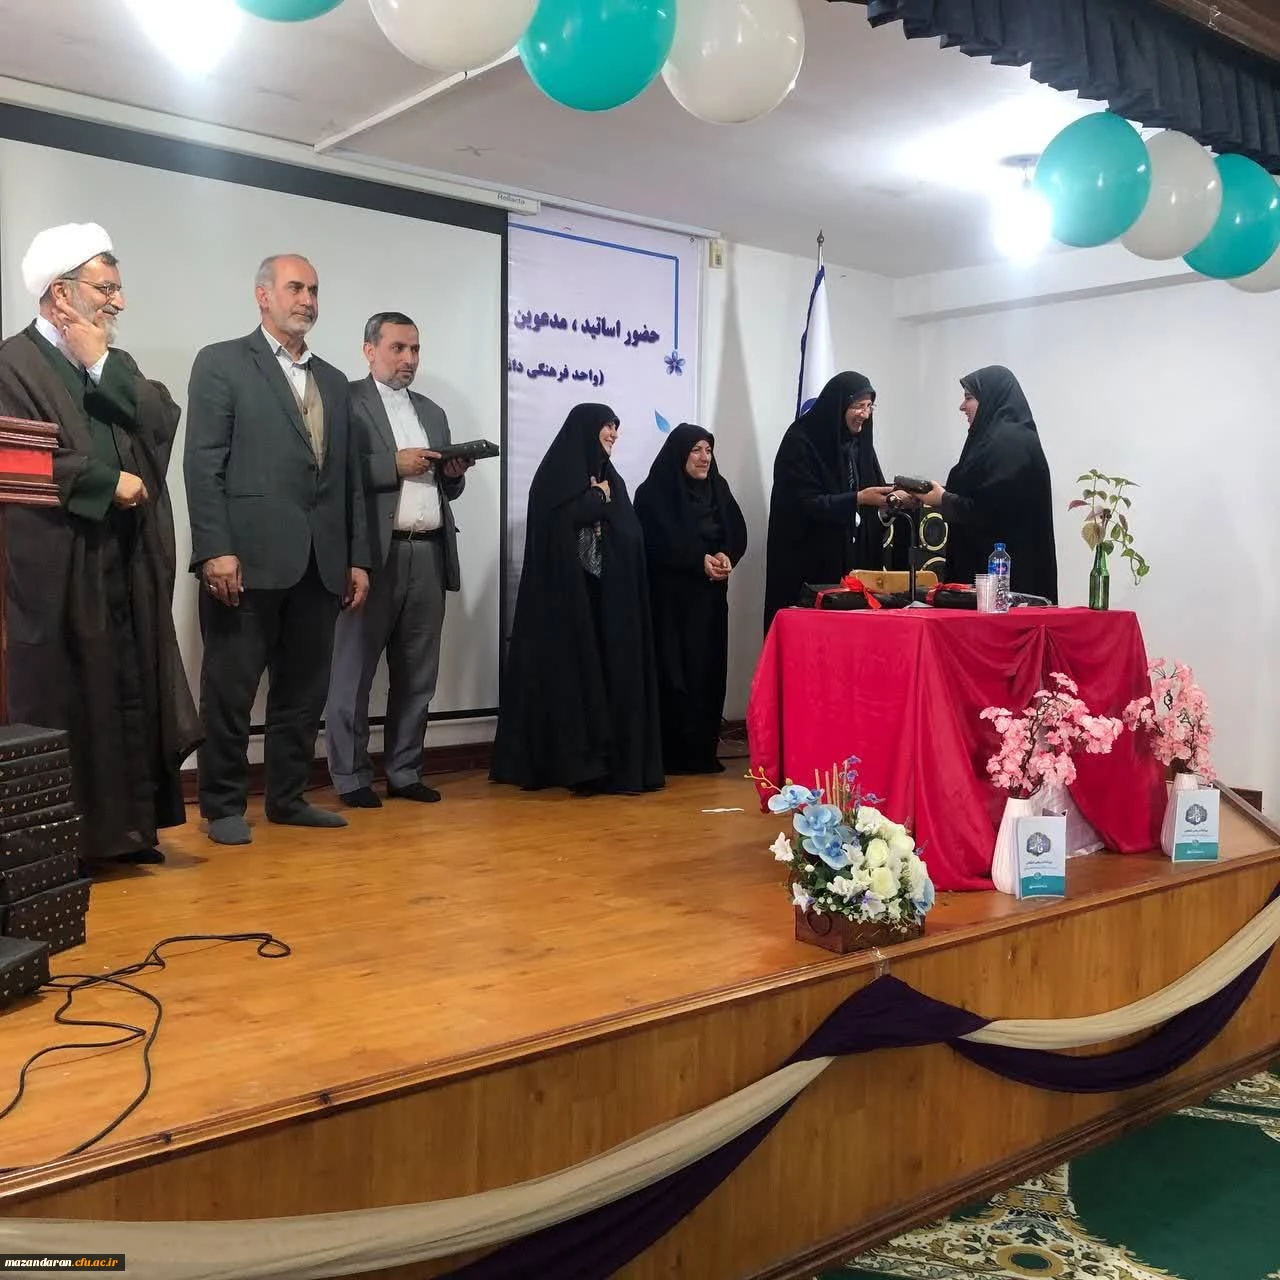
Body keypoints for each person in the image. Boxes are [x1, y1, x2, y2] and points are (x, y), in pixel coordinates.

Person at [0, 222, 201, 865]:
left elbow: (160, 420)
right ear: (61, 294)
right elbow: (15, 460)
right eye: (105, 288)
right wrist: (103, 481)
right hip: (61, 569)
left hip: (126, 561)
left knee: (129, 692)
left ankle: (128, 833)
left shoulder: (113, 361)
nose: (119, 301)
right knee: (71, 699)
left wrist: (100, 364)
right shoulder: (12, 363)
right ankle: (69, 846)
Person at [185, 253, 371, 846]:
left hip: (321, 564)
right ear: (263, 295)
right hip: (246, 561)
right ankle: (222, 806)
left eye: (314, 290)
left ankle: (288, 799)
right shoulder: (221, 362)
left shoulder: (335, 381)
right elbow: (202, 465)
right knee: (230, 691)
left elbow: (348, 479)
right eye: (295, 288)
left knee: (303, 692)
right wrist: (215, 548)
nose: (307, 300)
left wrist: (357, 557)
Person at [324, 312, 472, 808]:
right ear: (369, 350)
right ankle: (351, 777)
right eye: (398, 348)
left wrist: (453, 473)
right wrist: (392, 464)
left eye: (415, 349)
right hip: (371, 556)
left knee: (418, 675)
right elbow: (331, 473)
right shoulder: (345, 401)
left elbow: (445, 489)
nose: (409, 359)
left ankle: (405, 771)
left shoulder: (432, 411)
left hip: (428, 551)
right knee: (353, 672)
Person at [490, 403, 663, 796]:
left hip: (606, 601)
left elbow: (630, 534)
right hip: (566, 604)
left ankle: (606, 764)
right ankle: (572, 765)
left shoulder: (613, 479)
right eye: (607, 425)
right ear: (585, 429)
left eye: (616, 426)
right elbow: (556, 525)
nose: (614, 433)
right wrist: (594, 500)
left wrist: (603, 508)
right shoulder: (553, 477)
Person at [634, 424, 747, 775]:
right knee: (673, 674)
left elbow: (736, 531)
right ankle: (669, 755)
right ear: (679, 454)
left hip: (710, 602)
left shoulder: (718, 488)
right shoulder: (653, 493)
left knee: (707, 672)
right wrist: (696, 561)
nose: (704, 458)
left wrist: (727, 554)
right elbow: (652, 544)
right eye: (696, 450)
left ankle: (701, 752)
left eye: (708, 450)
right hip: (670, 603)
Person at [911, 365, 1058, 602]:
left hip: (1007, 591)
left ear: (991, 398)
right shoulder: (991, 440)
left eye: (969, 397)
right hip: (989, 585)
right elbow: (982, 494)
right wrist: (931, 496)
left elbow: (994, 512)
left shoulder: (1010, 444)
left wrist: (943, 499)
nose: (962, 406)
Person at [763, 371, 895, 633]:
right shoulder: (801, 440)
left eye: (870, 406)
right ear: (839, 405)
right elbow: (803, 503)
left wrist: (889, 505)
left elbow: (873, 497)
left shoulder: (861, 444)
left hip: (853, 571)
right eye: (858, 406)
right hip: (809, 568)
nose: (865, 414)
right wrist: (857, 499)